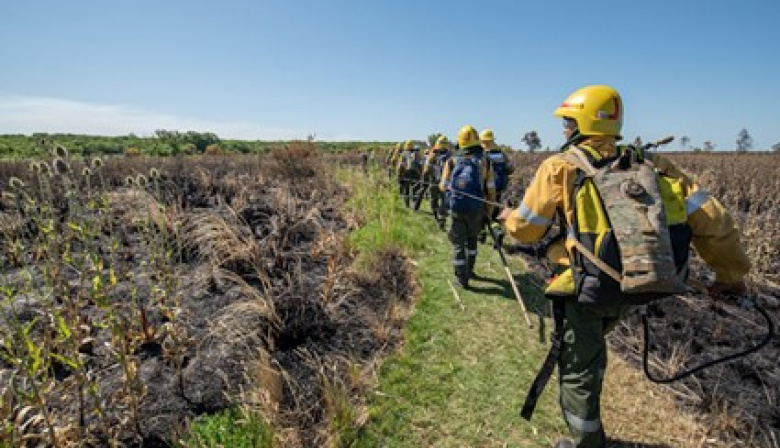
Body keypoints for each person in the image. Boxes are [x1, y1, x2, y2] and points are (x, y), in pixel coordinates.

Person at [497, 85, 750, 448]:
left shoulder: (560, 167)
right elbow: (714, 221)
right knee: (593, 348)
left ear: (581, 123)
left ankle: (586, 444)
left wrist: (508, 217)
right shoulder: (653, 166)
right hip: (636, 283)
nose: (564, 129)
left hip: (583, 288)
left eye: (567, 122)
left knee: (579, 369)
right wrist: (730, 275)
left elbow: (526, 229)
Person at [440, 125, 497, 288]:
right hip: (476, 209)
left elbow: (443, 186)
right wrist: (488, 211)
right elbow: (491, 189)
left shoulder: (452, 160)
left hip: (457, 208)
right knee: (472, 241)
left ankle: (461, 279)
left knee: (459, 244)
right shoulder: (485, 161)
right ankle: (470, 271)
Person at [479, 128, 515, 242]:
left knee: (482, 212)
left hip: (486, 189)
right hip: (499, 189)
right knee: (494, 213)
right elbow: (511, 169)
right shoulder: (501, 153)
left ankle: (481, 235)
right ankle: (497, 232)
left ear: (482, 141)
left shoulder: (483, 154)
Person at [422, 135, 452, 229]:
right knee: (443, 200)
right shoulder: (450, 155)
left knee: (435, 200)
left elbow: (426, 169)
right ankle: (441, 219)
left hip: (435, 181)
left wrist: (424, 178)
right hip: (444, 182)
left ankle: (437, 218)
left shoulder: (433, 154)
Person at [397, 140, 422, 207]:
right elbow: (419, 164)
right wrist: (420, 173)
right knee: (415, 187)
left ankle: (407, 204)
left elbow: (400, 165)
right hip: (414, 173)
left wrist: (399, 175)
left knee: (406, 189)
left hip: (406, 173)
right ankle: (413, 200)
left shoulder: (403, 154)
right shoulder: (415, 153)